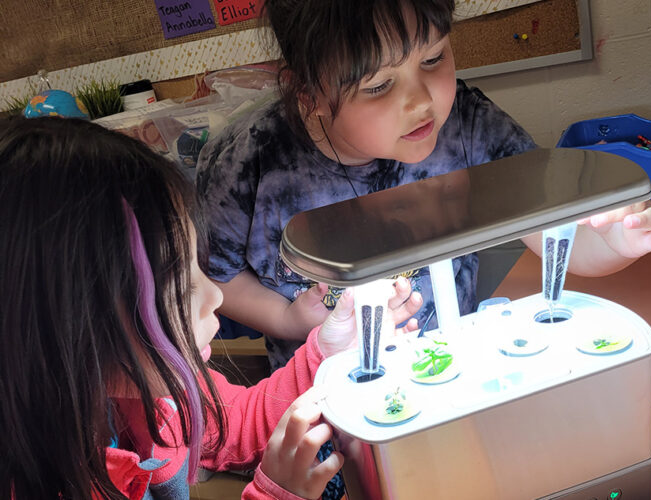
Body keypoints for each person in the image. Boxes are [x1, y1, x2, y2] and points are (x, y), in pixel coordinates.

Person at [196, 0, 651, 373]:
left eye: (434, 58)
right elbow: (217, 278)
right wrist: (288, 320)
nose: (421, 101)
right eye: (379, 86)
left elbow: (556, 235)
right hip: (324, 405)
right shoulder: (249, 162)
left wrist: (612, 243)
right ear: (310, 94)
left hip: (453, 377)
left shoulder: (469, 124)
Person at [0, 116, 420, 500]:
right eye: (182, 289)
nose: (215, 298)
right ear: (75, 331)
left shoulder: (165, 394)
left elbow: (239, 423)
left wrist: (326, 354)